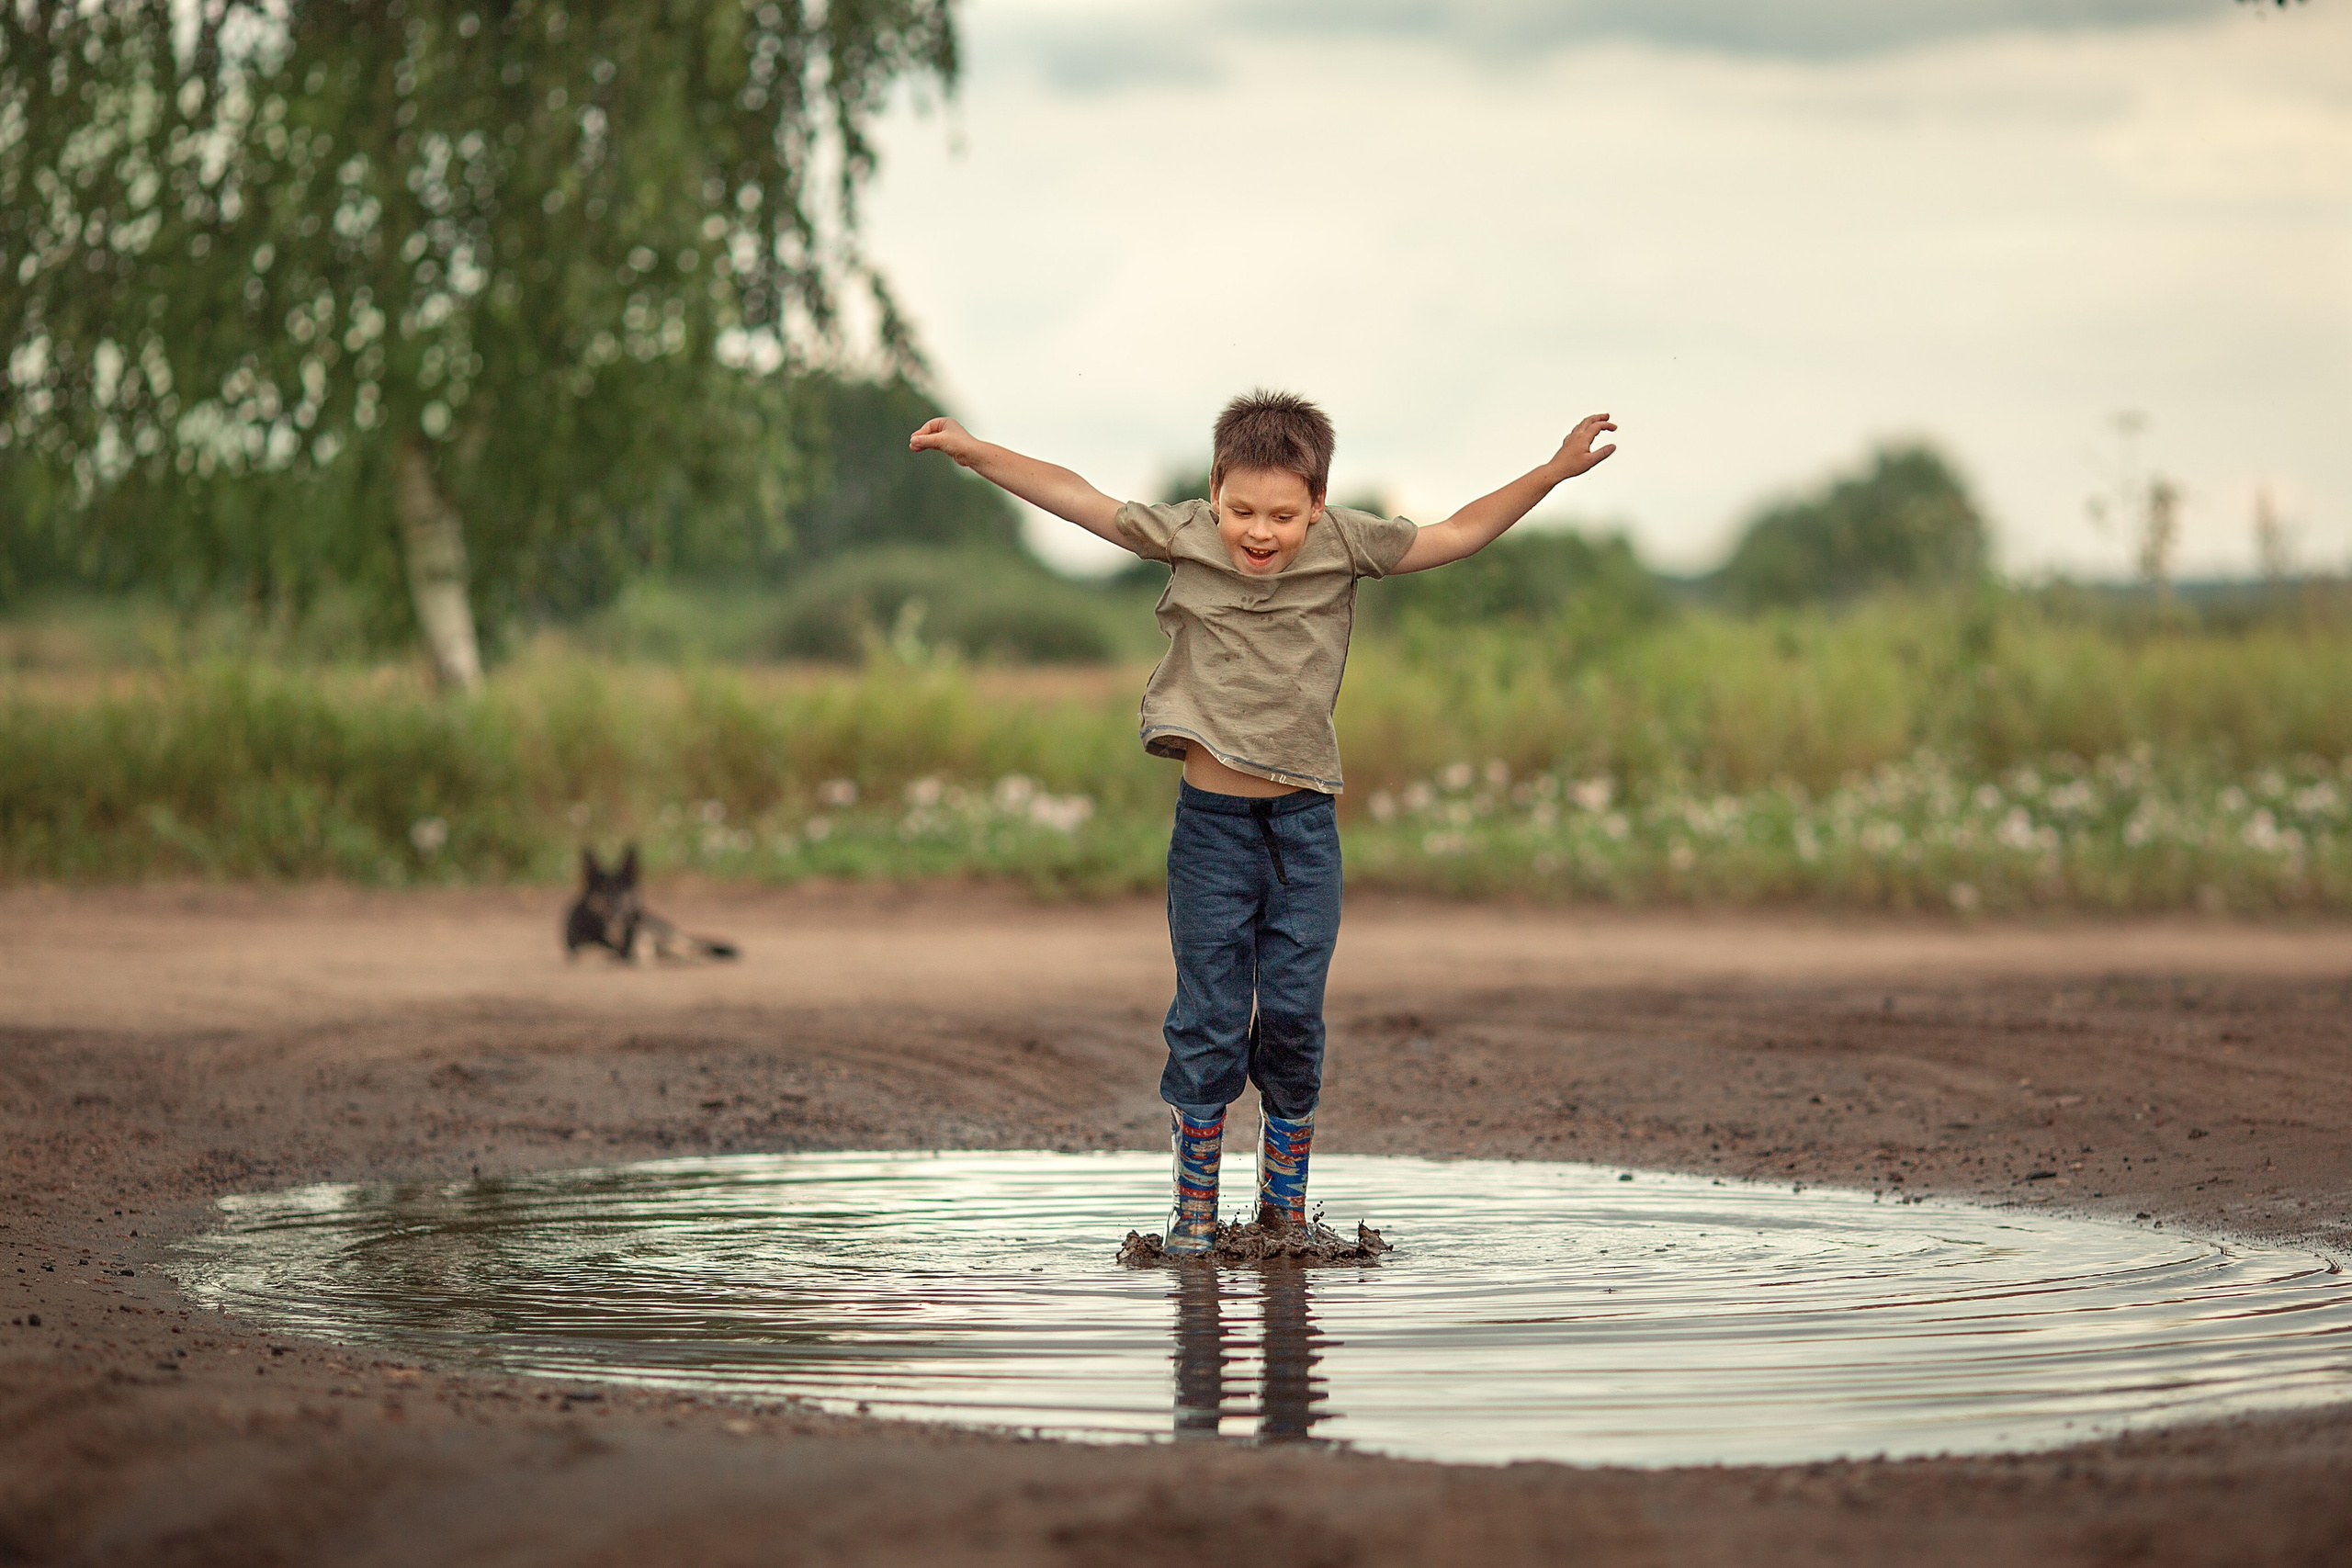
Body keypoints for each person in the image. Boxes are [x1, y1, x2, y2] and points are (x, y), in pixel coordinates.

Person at [911, 391, 1618, 1252]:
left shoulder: (1346, 543)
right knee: (1208, 1016)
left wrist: (1554, 469)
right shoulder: (1184, 536)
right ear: (1214, 490)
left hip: (1303, 832)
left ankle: (1283, 1210)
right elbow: (1078, 495)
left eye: (1282, 514)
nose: (1259, 531)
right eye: (1241, 508)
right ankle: (1196, 1214)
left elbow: (1460, 532)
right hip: (1211, 832)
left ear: (1317, 503)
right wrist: (977, 453)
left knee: (1291, 1016)